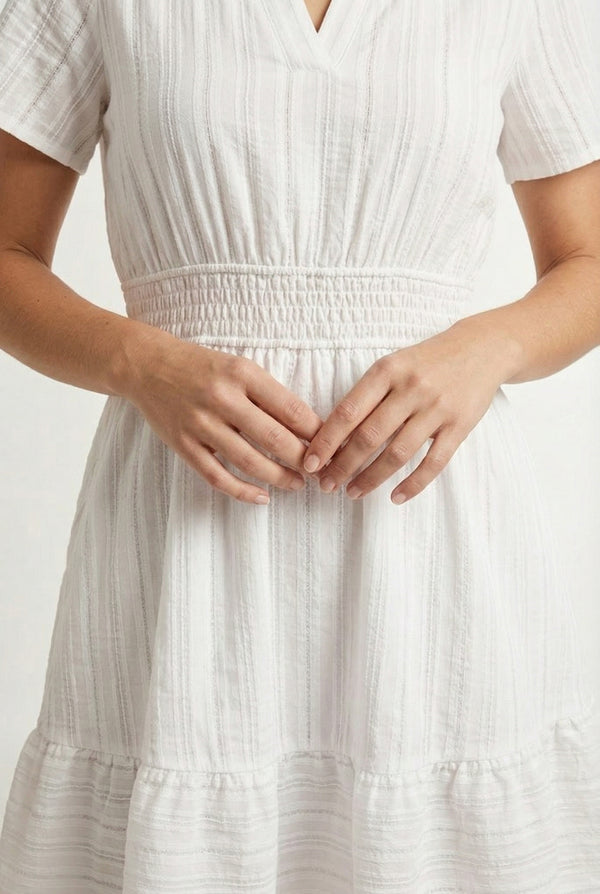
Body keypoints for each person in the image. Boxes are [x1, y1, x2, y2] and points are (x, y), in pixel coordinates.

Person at [0, 0, 599, 890]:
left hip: (433, 533)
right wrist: (141, 362)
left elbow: (586, 260)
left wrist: (491, 346)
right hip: (186, 540)